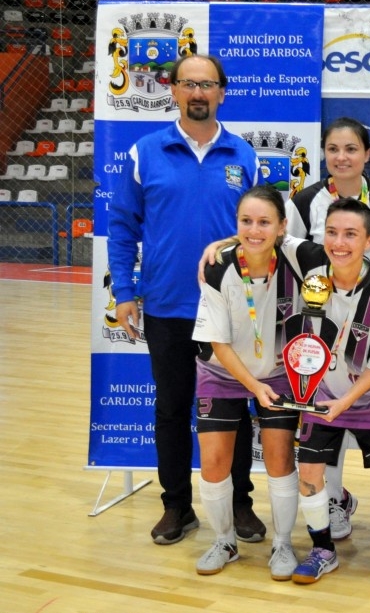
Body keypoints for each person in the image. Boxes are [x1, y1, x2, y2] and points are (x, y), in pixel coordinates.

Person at [107, 53, 265, 546]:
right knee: (172, 409)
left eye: (208, 85)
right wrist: (126, 293)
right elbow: (121, 227)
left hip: (232, 311)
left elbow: (260, 232)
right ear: (173, 90)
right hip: (167, 306)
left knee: (235, 409)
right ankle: (177, 505)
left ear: (222, 92)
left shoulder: (244, 155)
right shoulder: (145, 152)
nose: (198, 93)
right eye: (189, 84)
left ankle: (240, 502)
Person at [279, 198, 370, 591]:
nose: (339, 243)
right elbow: (267, 231)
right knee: (308, 474)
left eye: (351, 235)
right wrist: (219, 245)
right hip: (323, 392)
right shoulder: (310, 266)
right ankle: (323, 550)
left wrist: (345, 402)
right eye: (332, 232)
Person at [284, 117, 370, 541]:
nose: (342, 157)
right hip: (324, 323)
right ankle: (334, 500)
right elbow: (284, 249)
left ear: (367, 155)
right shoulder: (308, 199)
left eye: (351, 149)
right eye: (333, 149)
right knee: (327, 411)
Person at [191, 187, 300, 579]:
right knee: (215, 460)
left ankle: (283, 544)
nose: (254, 230)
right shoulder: (219, 265)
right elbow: (217, 342)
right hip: (223, 370)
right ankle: (223, 540)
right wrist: (254, 388)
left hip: (278, 373)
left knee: (280, 458)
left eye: (264, 222)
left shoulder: (296, 256)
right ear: (235, 226)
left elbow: (342, 253)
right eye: (246, 222)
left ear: (282, 226)